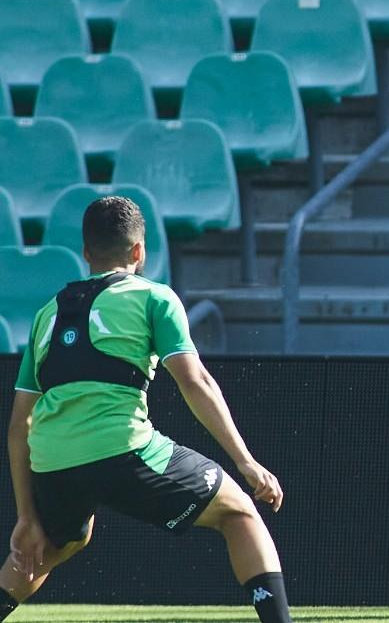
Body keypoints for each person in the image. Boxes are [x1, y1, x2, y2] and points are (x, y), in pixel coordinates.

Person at [0, 196, 292, 623]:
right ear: (139, 252)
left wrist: (27, 515)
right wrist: (246, 463)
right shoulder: (155, 297)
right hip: (122, 448)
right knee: (239, 512)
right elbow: (196, 382)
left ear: (85, 254)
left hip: (51, 461)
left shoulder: (47, 314)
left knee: (43, 547)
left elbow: (17, 425)